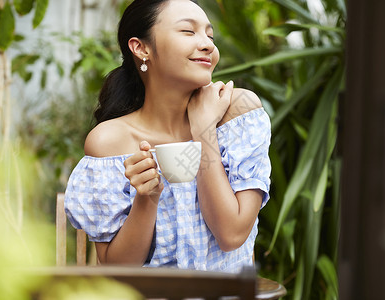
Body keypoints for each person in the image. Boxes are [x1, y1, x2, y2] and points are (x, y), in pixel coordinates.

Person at [64, 0, 271, 273]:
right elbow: (118, 268)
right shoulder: (109, 142)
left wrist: (204, 132)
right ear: (141, 48)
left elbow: (231, 235)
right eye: (188, 32)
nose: (208, 45)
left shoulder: (238, 113)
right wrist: (146, 198)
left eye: (210, 35)